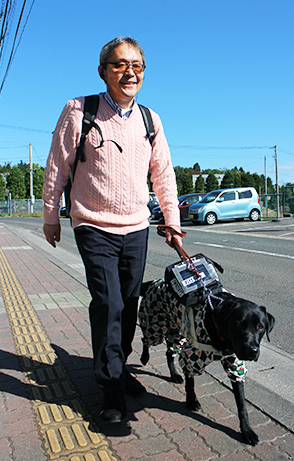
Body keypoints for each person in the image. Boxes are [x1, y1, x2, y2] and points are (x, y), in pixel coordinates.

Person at [43, 36, 182, 424]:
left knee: (130, 304)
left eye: (136, 65)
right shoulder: (79, 110)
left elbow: (163, 174)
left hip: (136, 226)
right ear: (103, 70)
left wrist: (171, 219)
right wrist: (51, 214)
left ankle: (118, 369)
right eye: (120, 64)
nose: (129, 72)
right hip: (92, 223)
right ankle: (112, 390)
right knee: (110, 304)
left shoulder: (150, 120)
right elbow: (58, 164)